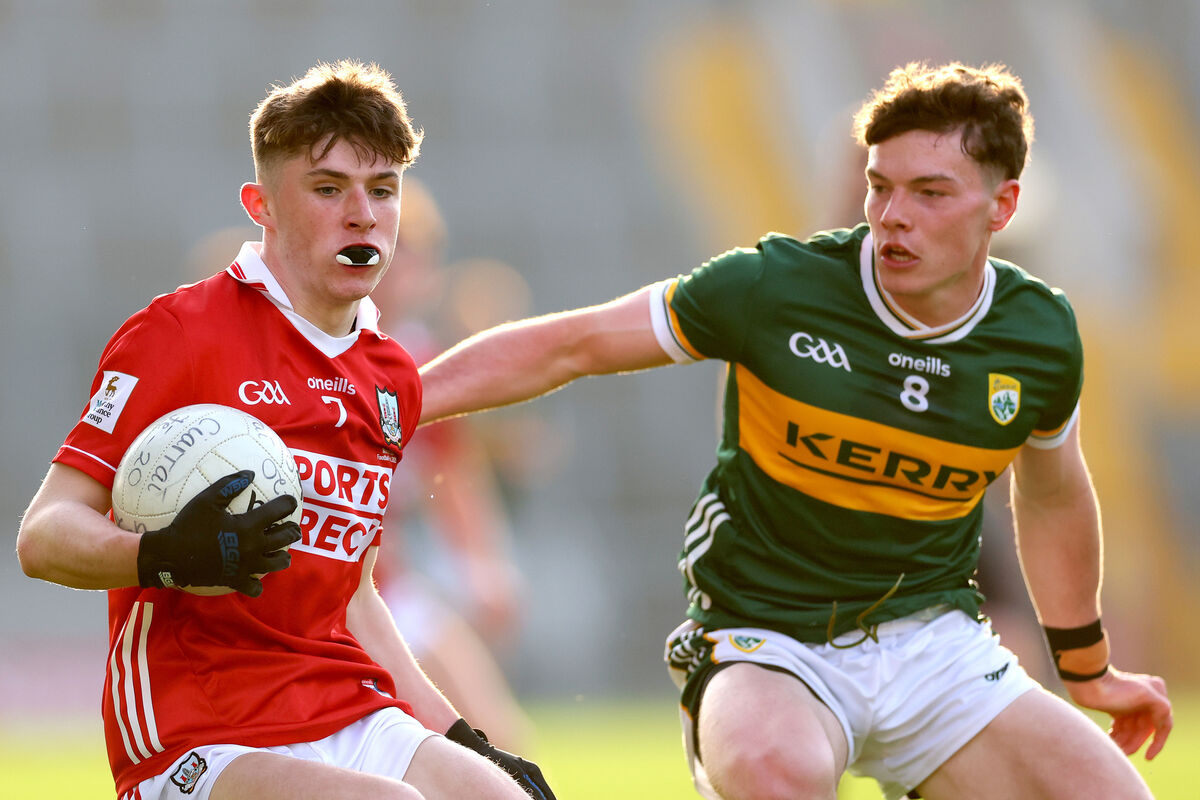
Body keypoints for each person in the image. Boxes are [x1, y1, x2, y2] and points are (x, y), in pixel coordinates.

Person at [417, 62, 1173, 799]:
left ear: (1001, 207)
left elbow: (1053, 495)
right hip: (767, 639)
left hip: (935, 644)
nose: (891, 216)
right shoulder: (774, 286)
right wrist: (393, 403)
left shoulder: (1039, 331)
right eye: (881, 187)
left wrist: (1087, 665)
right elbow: (571, 344)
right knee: (775, 772)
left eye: (930, 192)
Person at [16, 60, 554, 800]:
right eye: (329, 189)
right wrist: (165, 555)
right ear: (261, 205)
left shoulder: (390, 375)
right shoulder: (180, 332)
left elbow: (356, 595)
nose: (363, 214)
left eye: (382, 190)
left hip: (345, 704)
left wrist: (463, 738)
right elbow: (42, 537)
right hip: (200, 729)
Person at [371, 176, 535, 751]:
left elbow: (451, 470)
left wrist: (484, 566)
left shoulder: (416, 358)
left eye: (418, 258)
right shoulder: (307, 347)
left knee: (498, 740)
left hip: (386, 590)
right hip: (323, 595)